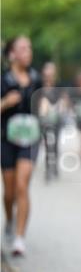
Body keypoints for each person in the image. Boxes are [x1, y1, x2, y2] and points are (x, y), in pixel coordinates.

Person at [1, 36, 42, 257]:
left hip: (30, 138)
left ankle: (19, 238)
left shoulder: (37, 79)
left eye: (29, 47)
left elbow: (45, 103)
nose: (28, 52)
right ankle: (9, 219)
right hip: (6, 139)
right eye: (23, 48)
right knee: (9, 193)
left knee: (22, 186)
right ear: (12, 54)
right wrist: (6, 102)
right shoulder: (3, 80)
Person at [37, 61, 66, 183]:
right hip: (43, 120)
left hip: (56, 119)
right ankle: (49, 168)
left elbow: (64, 100)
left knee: (55, 144)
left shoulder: (58, 86)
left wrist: (60, 108)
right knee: (48, 144)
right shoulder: (39, 86)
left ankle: (54, 167)